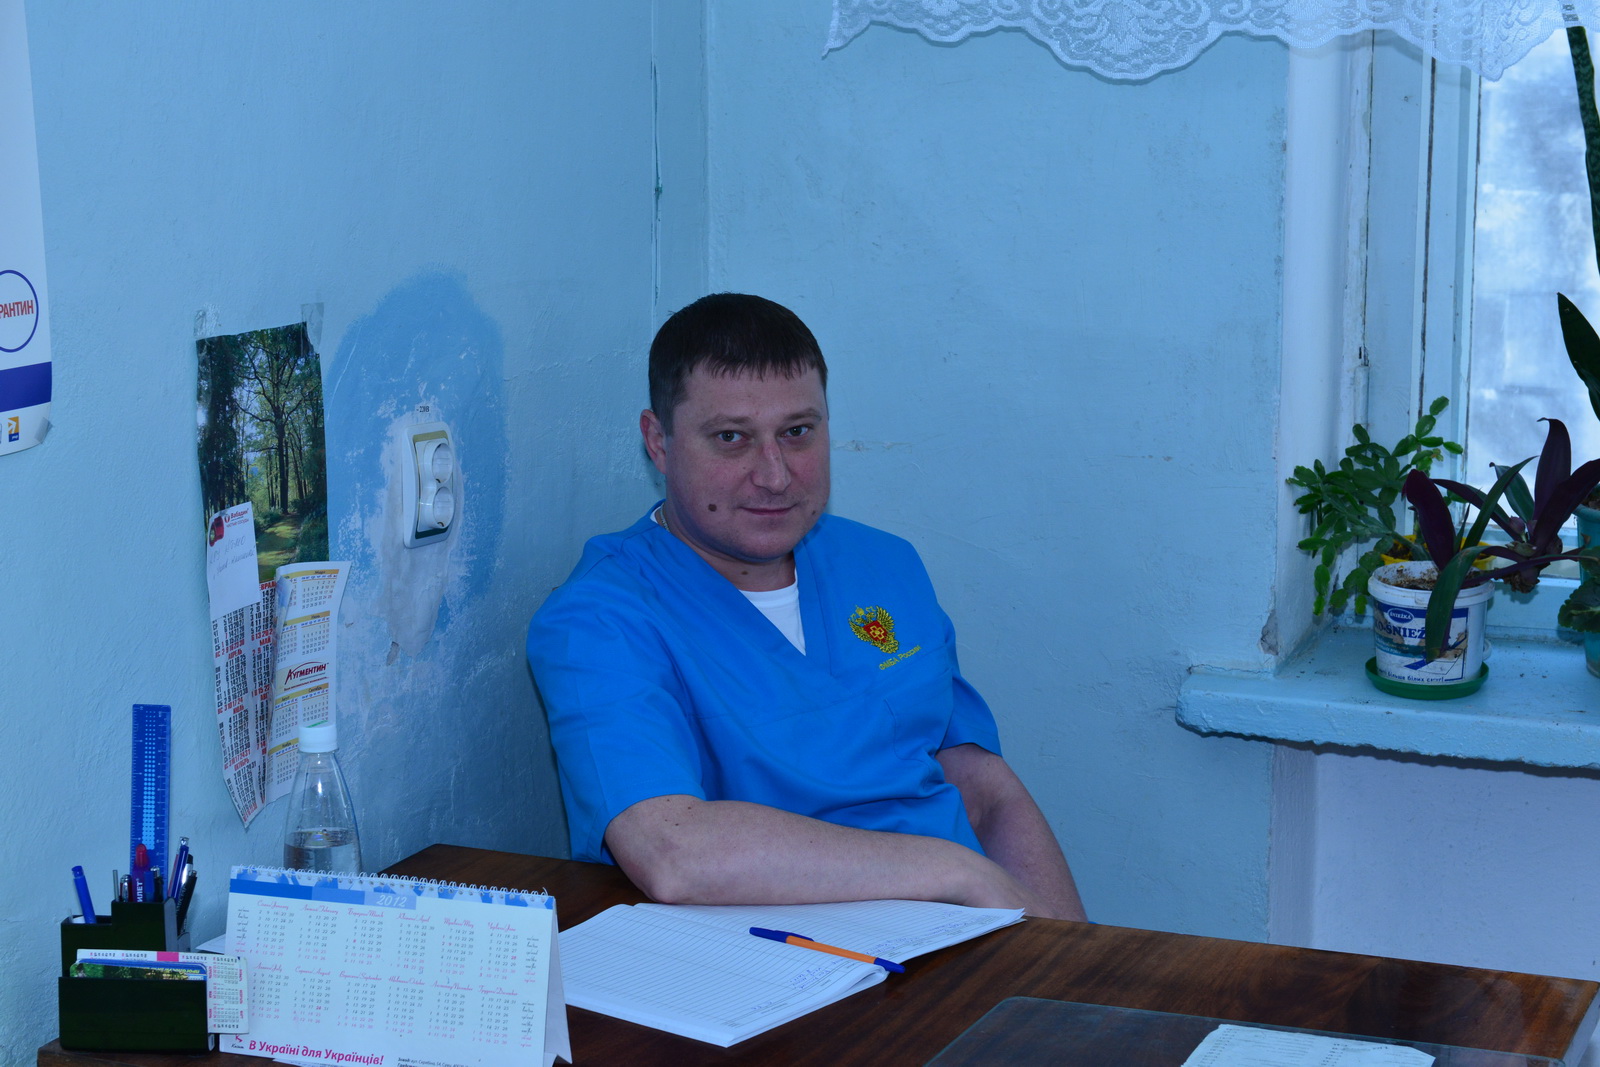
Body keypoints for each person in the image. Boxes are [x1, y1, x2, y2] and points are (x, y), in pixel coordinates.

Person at [526, 293, 1086, 920]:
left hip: (964, 929)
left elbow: (983, 790)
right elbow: (672, 850)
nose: (775, 475)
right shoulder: (599, 621)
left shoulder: (884, 563)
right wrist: (955, 871)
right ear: (659, 442)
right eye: (732, 437)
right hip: (774, 955)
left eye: (797, 432)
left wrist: (1070, 959)